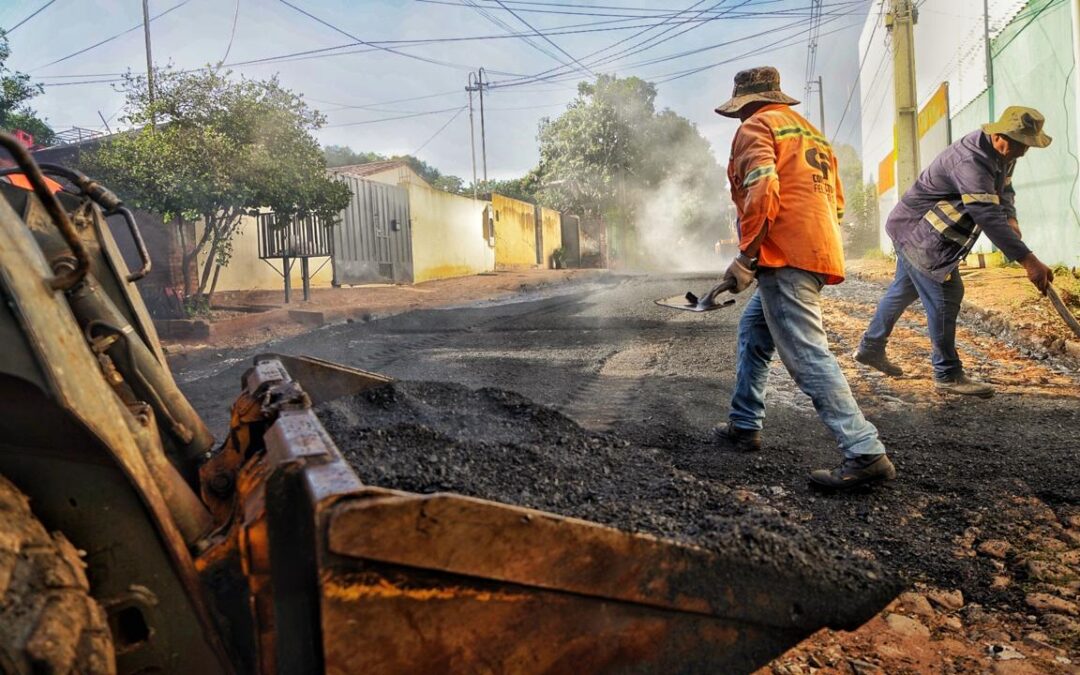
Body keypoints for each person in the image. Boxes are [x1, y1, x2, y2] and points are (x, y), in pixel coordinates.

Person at [715, 66, 895, 490]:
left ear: (746, 104)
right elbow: (836, 203)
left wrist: (747, 255)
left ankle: (864, 450)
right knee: (754, 332)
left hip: (786, 255)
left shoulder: (756, 127)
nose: (739, 119)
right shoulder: (810, 132)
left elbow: (762, 189)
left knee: (806, 352)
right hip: (817, 250)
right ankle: (744, 423)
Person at [853, 107, 1055, 397]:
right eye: (1020, 144)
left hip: (919, 230)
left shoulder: (1005, 153)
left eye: (1028, 145)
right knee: (948, 293)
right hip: (919, 232)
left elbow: (1005, 191)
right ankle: (947, 373)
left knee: (903, 289)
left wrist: (1011, 218)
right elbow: (985, 212)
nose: (1023, 151)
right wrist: (1028, 260)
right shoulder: (970, 159)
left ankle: (871, 347)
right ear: (998, 135)